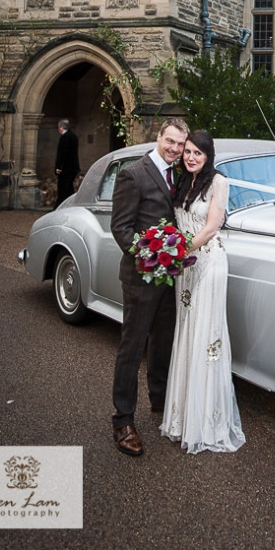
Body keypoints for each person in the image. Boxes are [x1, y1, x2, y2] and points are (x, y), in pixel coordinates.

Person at [160, 129, 245, 454]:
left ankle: (207, 420)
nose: (191, 157)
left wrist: (179, 252)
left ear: (208, 156)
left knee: (205, 333)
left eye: (198, 153)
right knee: (187, 332)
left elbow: (212, 226)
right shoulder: (182, 182)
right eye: (188, 152)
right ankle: (183, 416)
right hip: (186, 266)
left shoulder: (218, 182)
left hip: (208, 263)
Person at [110, 116, 189, 457]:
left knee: (163, 342)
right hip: (141, 276)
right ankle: (123, 419)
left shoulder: (182, 174)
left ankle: (160, 401)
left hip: (171, 277)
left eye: (180, 145)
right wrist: (150, 256)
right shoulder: (133, 173)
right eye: (170, 141)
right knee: (133, 345)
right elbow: (122, 228)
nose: (175, 149)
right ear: (159, 137)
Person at [54, 119, 80, 208]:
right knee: (68, 188)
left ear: (61, 127)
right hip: (72, 168)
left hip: (65, 169)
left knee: (63, 189)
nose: (58, 129)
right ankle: (69, 206)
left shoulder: (65, 137)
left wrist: (59, 167)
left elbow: (63, 154)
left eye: (59, 127)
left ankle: (60, 207)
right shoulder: (73, 136)